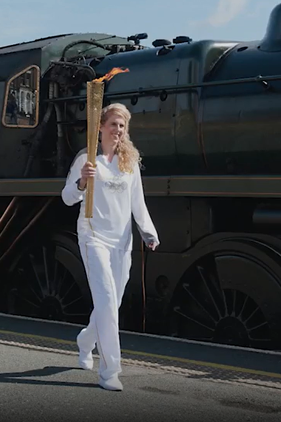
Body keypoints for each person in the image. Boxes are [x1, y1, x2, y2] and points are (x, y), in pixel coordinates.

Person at [60, 103, 159, 392]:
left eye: (122, 125)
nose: (118, 130)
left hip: (122, 241)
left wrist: (148, 232)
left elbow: (138, 202)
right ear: (101, 127)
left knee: (112, 304)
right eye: (113, 124)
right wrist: (82, 182)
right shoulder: (87, 159)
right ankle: (110, 371)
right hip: (93, 237)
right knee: (105, 300)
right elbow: (67, 197)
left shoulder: (129, 161)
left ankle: (85, 341)